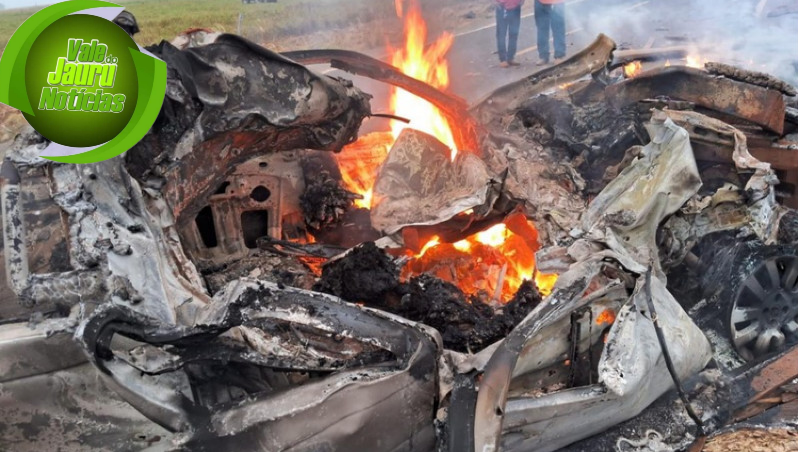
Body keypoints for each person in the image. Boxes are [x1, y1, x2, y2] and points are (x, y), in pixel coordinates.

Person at [534, 0, 566, 65]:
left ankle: (559, 56)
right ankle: (543, 56)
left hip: (556, 3)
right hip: (539, 2)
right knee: (541, 29)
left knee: (558, 28)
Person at [495, 0, 524, 68]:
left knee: (514, 33)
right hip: (502, 7)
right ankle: (503, 59)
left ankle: (510, 58)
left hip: (515, 7)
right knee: (501, 34)